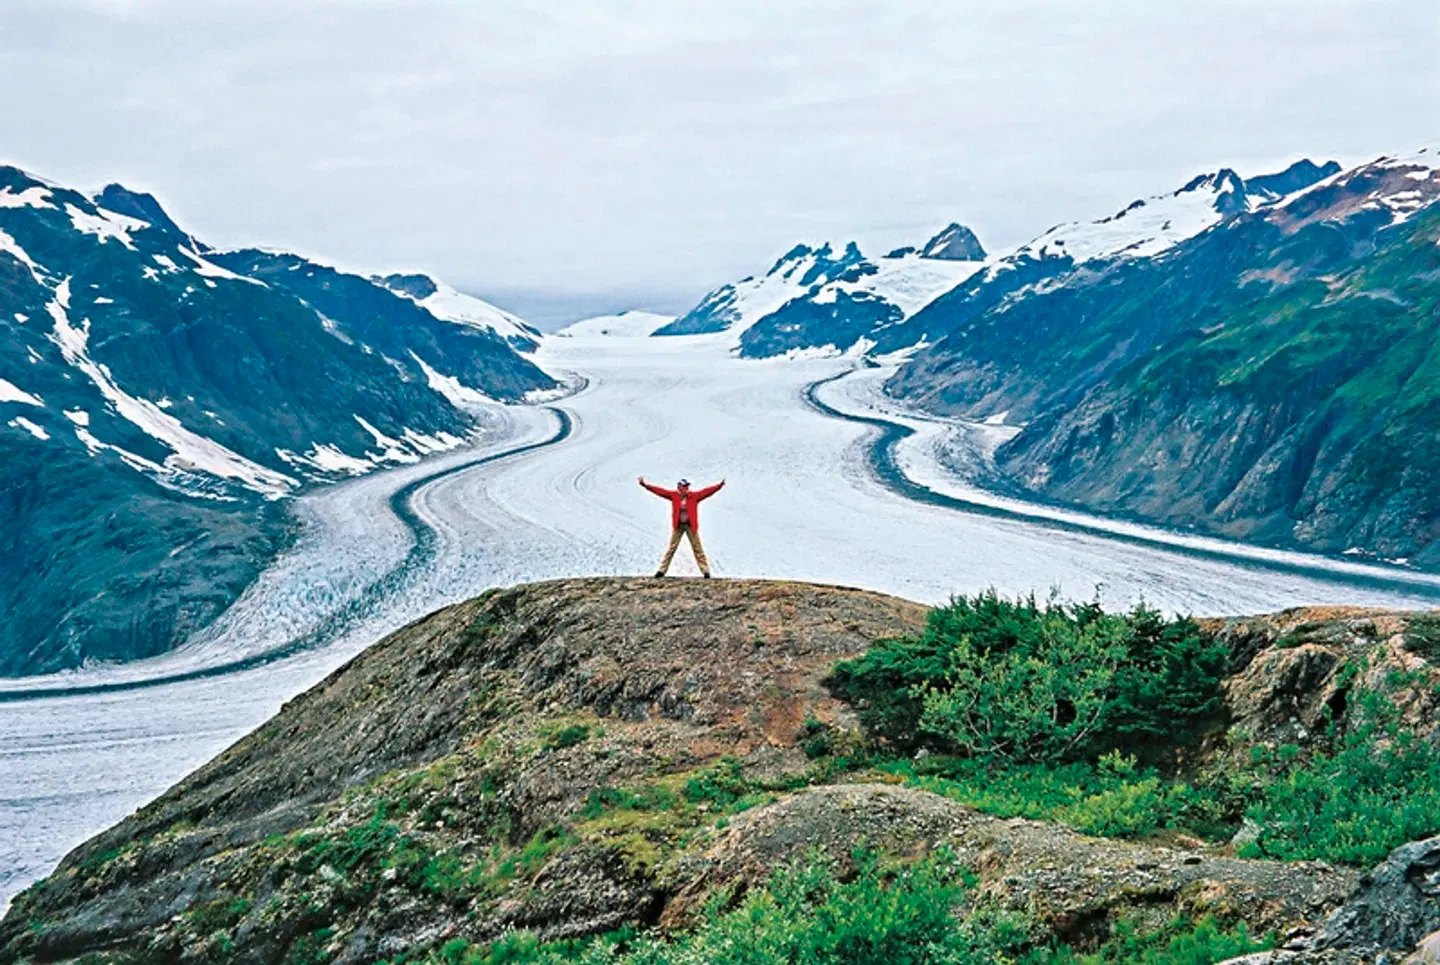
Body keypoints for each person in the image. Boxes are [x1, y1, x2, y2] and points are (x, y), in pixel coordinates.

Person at [638, 476, 725, 578]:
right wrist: (646, 486)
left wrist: (719, 486)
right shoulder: (674, 495)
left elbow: (707, 492)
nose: (686, 488)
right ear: (679, 487)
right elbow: (660, 491)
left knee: (697, 548)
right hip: (678, 526)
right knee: (671, 548)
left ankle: (705, 571)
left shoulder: (694, 496)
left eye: (687, 486)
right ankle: (661, 571)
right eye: (684, 486)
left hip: (690, 526)